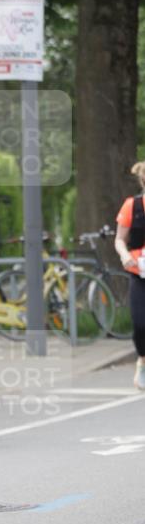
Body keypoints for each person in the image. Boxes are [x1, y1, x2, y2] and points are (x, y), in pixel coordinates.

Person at [115, 160, 145, 390]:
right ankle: (142, 361)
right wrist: (125, 255)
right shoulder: (132, 206)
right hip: (139, 272)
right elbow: (119, 239)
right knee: (140, 323)